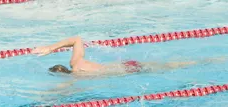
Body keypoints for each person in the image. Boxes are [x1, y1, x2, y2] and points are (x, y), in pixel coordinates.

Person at [32, 36, 196, 75]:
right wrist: (50, 48)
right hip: (127, 64)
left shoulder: (76, 77)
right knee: (172, 64)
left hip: (127, 71)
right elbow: (77, 39)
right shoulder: (76, 62)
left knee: (169, 67)